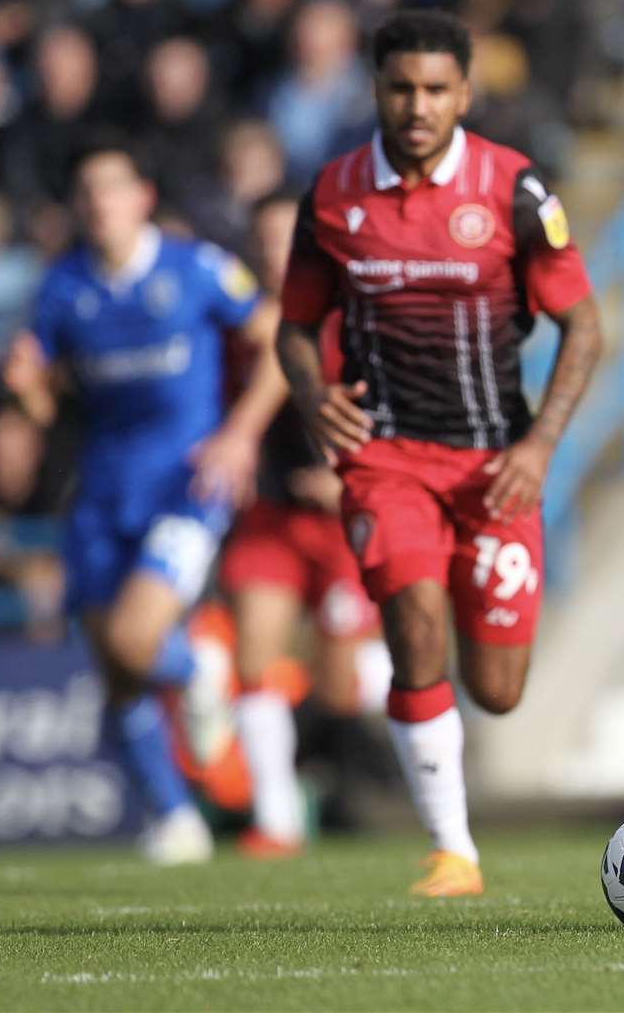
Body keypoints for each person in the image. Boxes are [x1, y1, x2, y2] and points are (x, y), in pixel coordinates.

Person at [275, 8, 602, 897]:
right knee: (415, 626)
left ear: (464, 92)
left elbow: (583, 327)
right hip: (387, 457)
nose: (417, 106)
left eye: (435, 90)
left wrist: (538, 444)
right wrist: (312, 396)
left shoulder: (515, 192)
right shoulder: (335, 196)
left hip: (497, 464)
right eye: (400, 88)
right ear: (376, 89)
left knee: (497, 688)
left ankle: (453, 821)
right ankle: (453, 851)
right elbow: (294, 326)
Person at [3, 137, 286, 865]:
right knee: (114, 663)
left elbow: (281, 342)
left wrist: (240, 436)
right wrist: (27, 385)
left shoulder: (195, 270)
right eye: (88, 192)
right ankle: (174, 817)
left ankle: (197, 671)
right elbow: (41, 398)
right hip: (101, 489)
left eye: (112, 189)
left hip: (187, 487)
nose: (100, 204)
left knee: (136, 639)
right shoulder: (63, 286)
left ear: (142, 198)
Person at [219, 191, 385, 858]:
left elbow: (391, 409)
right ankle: (276, 819)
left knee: (342, 683)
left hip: (344, 519)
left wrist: (351, 474)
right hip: (273, 514)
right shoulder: (240, 322)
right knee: (252, 655)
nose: (272, 252)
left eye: (285, 238)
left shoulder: (353, 320)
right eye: (263, 240)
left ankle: (384, 740)